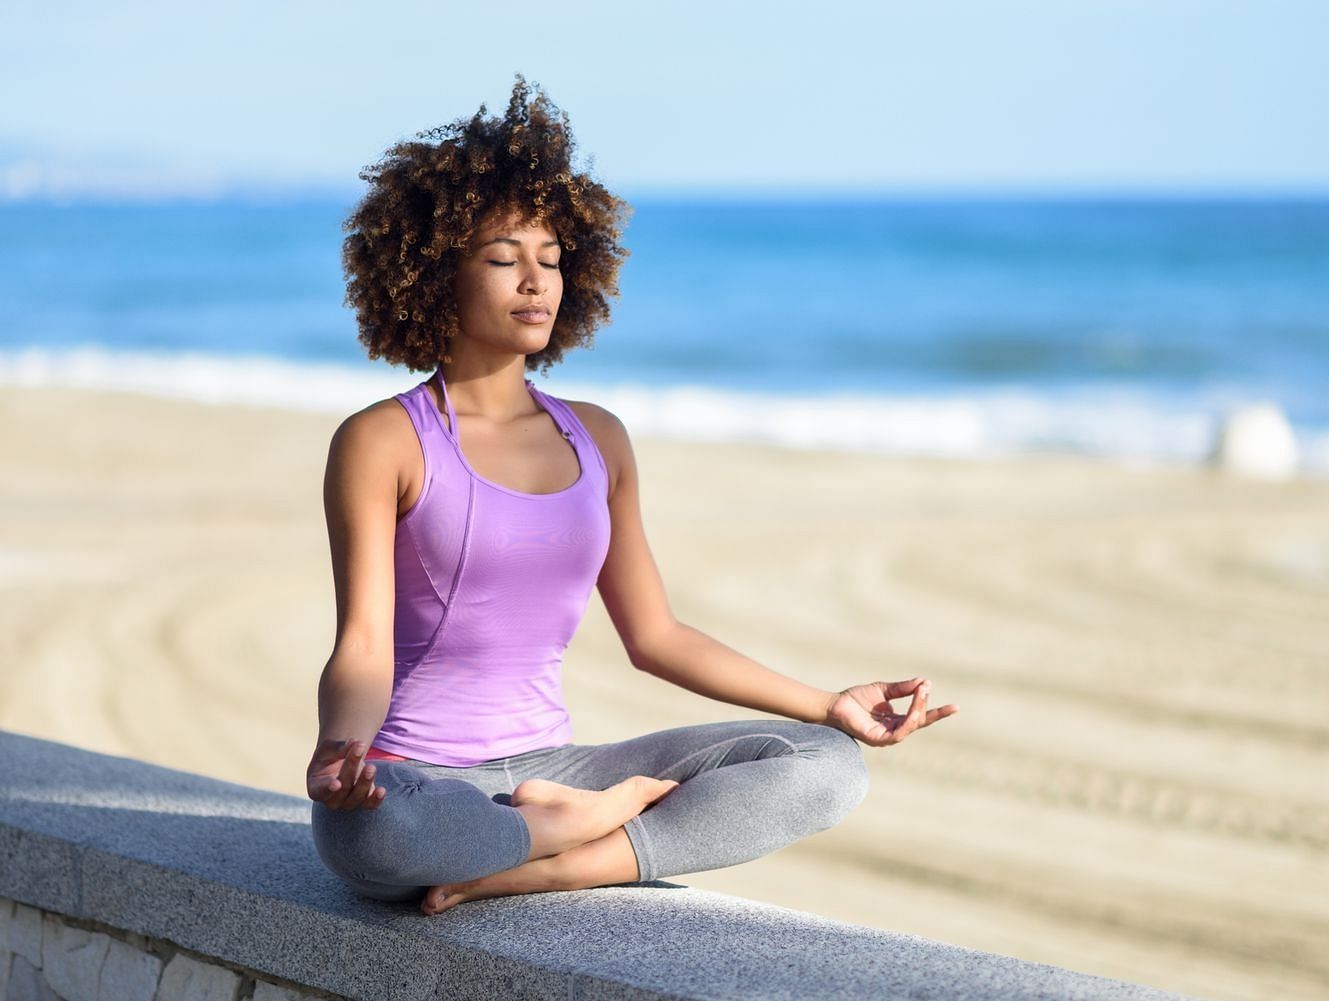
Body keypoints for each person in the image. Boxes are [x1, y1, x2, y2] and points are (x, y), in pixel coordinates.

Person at [306, 76, 959, 917]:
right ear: (436, 275)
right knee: (369, 841)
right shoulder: (384, 439)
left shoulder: (598, 438)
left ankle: (551, 857)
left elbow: (655, 636)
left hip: (556, 766)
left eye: (550, 259)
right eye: (504, 259)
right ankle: (570, 831)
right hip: (423, 780)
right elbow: (363, 642)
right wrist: (341, 752)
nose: (536, 281)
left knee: (828, 765)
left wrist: (829, 703)